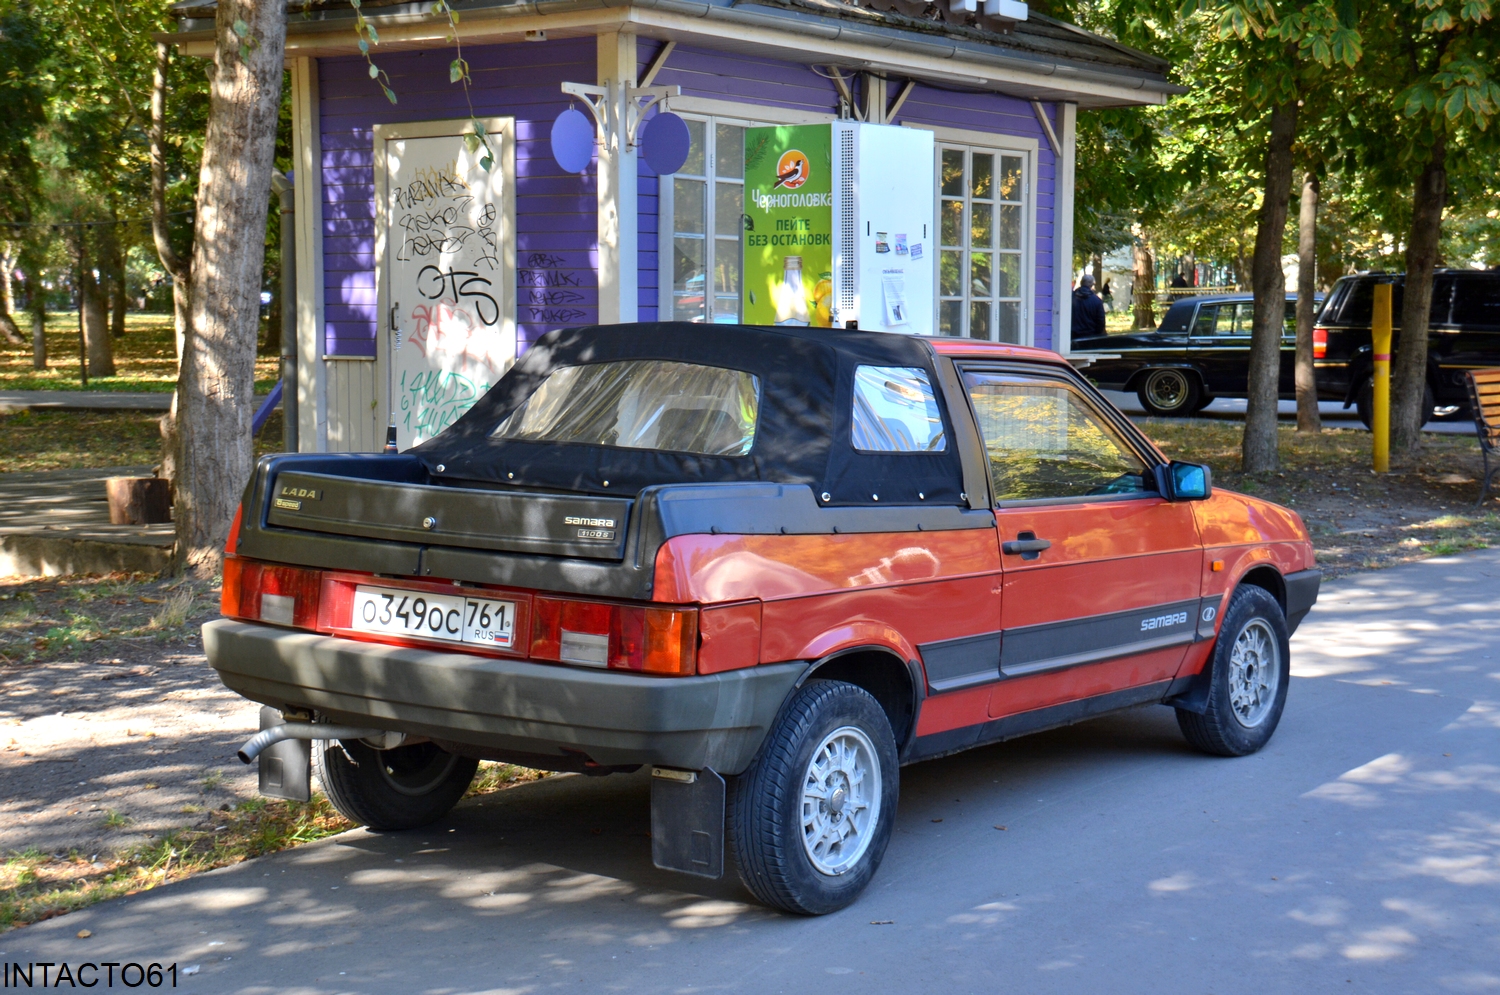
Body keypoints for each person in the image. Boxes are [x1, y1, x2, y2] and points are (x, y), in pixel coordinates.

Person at [1071, 273, 1106, 340]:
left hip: (1072, 336)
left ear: (1081, 282)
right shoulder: (1097, 301)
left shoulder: (1070, 298)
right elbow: (1101, 321)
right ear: (1092, 285)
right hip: (1090, 337)